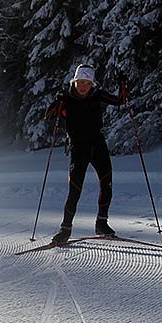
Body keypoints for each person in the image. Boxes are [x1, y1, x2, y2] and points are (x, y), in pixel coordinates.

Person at [48, 64, 124, 245]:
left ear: (92, 85)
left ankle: (102, 223)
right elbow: (49, 116)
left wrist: (123, 84)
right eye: (81, 82)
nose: (84, 86)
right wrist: (57, 101)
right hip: (78, 148)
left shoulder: (97, 96)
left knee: (107, 184)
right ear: (74, 82)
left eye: (88, 83)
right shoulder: (66, 98)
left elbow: (120, 100)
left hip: (98, 146)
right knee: (75, 190)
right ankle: (65, 229)